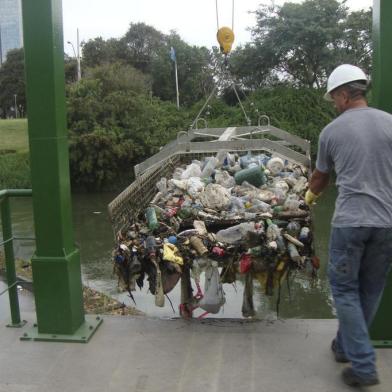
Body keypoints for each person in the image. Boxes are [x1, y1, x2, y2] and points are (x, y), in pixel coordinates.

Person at [305, 64, 392, 387]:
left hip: (351, 222)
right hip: (386, 224)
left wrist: (308, 199)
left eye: (334, 99)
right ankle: (345, 346)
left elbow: (320, 179)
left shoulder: (332, 131)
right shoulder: (390, 123)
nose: (335, 105)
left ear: (344, 94)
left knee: (343, 289)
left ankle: (364, 364)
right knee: (369, 290)